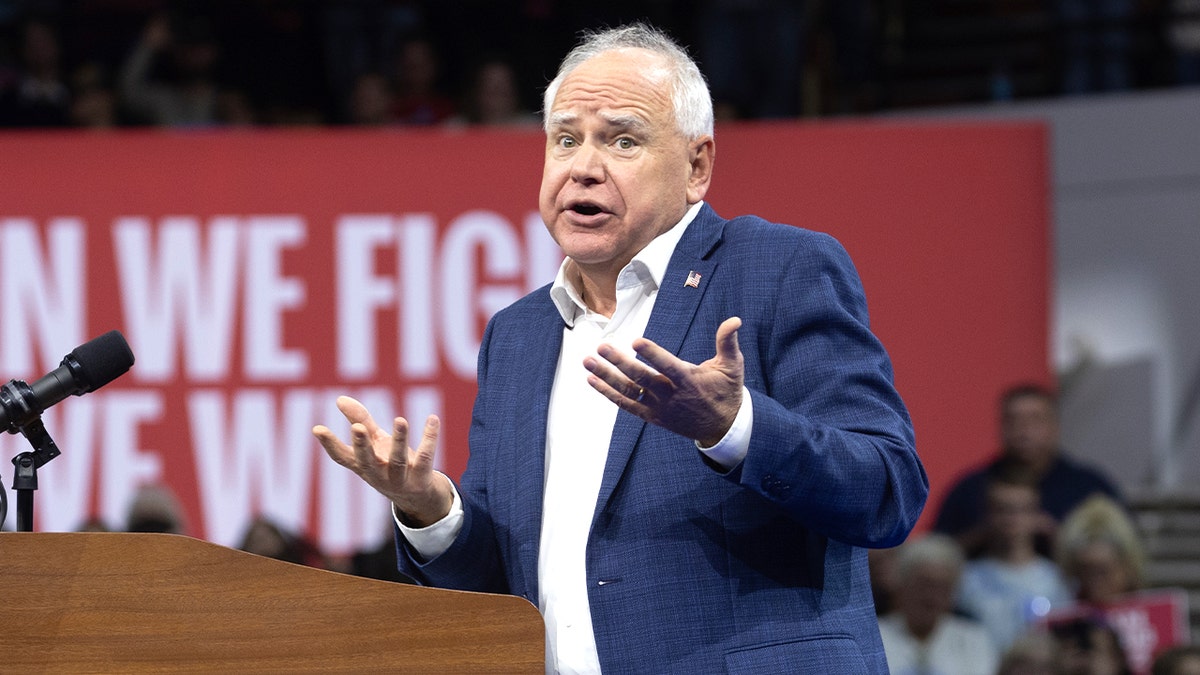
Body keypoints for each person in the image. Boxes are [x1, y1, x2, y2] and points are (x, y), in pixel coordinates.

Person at [314, 22, 927, 673]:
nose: (582, 167)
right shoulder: (517, 335)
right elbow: (503, 582)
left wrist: (734, 426)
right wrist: (430, 509)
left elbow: (886, 490)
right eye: (566, 139)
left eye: (622, 140)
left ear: (697, 166)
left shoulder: (780, 268)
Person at [933, 383, 1122, 558]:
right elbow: (936, 554)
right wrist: (987, 532)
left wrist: (1059, 536)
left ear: (1055, 426)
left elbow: (1123, 553)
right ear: (1001, 427)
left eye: (1035, 419)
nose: (1024, 430)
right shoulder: (970, 489)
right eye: (1014, 420)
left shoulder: (1089, 488)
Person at [956, 469, 1073, 652]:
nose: (1011, 520)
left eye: (1021, 510)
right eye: (1002, 510)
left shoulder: (1057, 580)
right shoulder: (965, 580)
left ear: (1037, 516)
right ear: (987, 515)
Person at [877, 533, 999, 675]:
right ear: (902, 585)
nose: (932, 596)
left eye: (942, 587)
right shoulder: (876, 637)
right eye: (924, 584)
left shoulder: (973, 640)